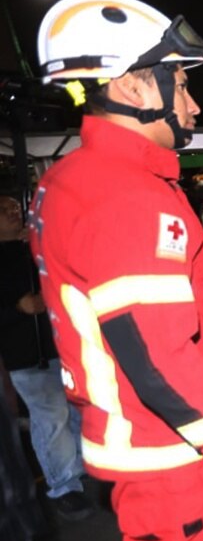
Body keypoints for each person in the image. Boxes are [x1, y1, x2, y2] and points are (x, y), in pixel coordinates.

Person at [30, 0, 203, 541]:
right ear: (135, 88)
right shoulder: (121, 193)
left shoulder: (94, 181)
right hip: (171, 458)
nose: (193, 104)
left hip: (179, 447)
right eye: (180, 84)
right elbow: (158, 359)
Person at [0, 195, 93, 522]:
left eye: (15, 207)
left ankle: (80, 469)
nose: (14, 212)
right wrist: (17, 310)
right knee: (51, 418)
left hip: (61, 347)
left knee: (76, 411)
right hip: (26, 356)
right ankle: (63, 485)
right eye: (4, 210)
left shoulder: (35, 247)